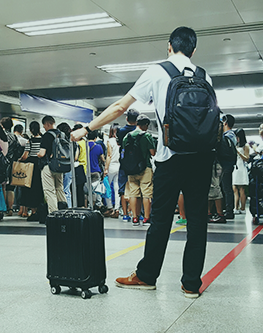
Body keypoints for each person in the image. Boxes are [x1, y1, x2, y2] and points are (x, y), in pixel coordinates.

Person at [71, 26, 215, 298]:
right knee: (197, 221)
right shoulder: (204, 76)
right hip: (201, 159)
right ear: (194, 50)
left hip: (170, 158)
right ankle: (191, 284)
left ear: (169, 46)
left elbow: (120, 108)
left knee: (160, 220)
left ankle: (147, 276)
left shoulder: (158, 71)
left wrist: (87, 129)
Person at [123, 114, 156, 226]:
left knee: (133, 193)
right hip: (145, 167)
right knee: (146, 194)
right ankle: (146, 218)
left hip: (131, 169)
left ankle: (135, 218)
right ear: (146, 125)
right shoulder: (147, 136)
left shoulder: (127, 136)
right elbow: (152, 153)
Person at [37, 116, 67, 214]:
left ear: (48, 124)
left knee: (49, 190)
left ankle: (54, 214)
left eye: (44, 125)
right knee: (60, 189)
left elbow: (42, 153)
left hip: (48, 166)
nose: (44, 128)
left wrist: (37, 154)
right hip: (60, 165)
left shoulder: (47, 135)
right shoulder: (62, 134)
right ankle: (63, 212)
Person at [116, 108, 139, 221]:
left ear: (126, 118)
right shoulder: (140, 132)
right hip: (138, 164)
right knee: (136, 189)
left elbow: (119, 144)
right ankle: (136, 213)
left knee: (122, 189)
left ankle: (125, 214)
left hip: (124, 163)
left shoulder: (120, 131)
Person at [19, 121, 44, 221]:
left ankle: (33, 211)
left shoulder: (30, 141)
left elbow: (25, 155)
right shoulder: (42, 140)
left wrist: (19, 160)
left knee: (30, 189)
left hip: (31, 167)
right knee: (39, 188)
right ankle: (40, 210)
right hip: (40, 166)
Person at [0, 117, 19, 216]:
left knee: (2, 186)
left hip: (2, 164)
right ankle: (10, 209)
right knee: (10, 188)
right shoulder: (14, 136)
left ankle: (3, 208)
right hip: (12, 163)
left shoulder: (1, 136)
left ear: (2, 126)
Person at [220, 114, 237, 220]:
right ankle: (227, 209)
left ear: (225, 122)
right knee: (226, 187)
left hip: (225, 164)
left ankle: (229, 211)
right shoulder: (232, 135)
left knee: (226, 188)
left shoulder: (228, 136)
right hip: (229, 164)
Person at [103, 124, 120, 218]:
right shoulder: (120, 141)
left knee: (106, 187)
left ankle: (109, 208)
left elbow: (109, 155)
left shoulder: (110, 141)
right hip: (119, 166)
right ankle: (117, 209)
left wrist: (106, 168)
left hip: (112, 166)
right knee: (117, 189)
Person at [87, 130, 106, 209]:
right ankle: (96, 205)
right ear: (95, 138)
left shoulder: (84, 146)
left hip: (86, 171)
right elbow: (103, 160)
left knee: (87, 190)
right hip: (96, 171)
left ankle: (87, 206)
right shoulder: (98, 146)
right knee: (96, 190)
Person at [232, 128, 249, 214]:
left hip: (242, 167)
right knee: (234, 188)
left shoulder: (245, 146)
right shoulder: (235, 144)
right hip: (235, 167)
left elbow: (247, 158)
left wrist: (238, 153)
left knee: (241, 189)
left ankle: (243, 208)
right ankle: (236, 207)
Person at [57, 122, 73, 208]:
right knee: (67, 190)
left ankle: (61, 209)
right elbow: (76, 156)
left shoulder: (60, 142)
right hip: (70, 167)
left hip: (60, 166)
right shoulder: (72, 141)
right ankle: (69, 208)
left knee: (60, 189)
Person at [71, 124, 87, 208]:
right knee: (81, 190)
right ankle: (82, 206)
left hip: (77, 167)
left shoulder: (77, 144)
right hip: (84, 167)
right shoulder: (85, 142)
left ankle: (77, 206)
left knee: (76, 190)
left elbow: (75, 157)